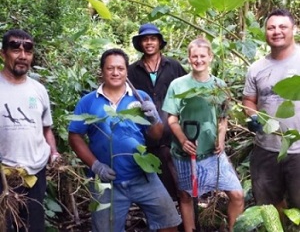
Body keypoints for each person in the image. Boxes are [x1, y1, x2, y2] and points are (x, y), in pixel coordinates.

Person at [68, 48, 181, 232]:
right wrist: (96, 166)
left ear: (126, 71)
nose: (115, 72)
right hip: (107, 182)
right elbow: (74, 136)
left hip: (142, 175)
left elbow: (156, 135)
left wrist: (153, 118)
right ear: (102, 71)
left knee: (169, 222)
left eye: (120, 68)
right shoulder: (88, 101)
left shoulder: (139, 97)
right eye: (110, 68)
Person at [162, 37, 244, 232]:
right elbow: (171, 118)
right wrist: (182, 140)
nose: (198, 60)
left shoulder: (219, 85)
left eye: (202, 56)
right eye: (194, 56)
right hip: (185, 153)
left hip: (212, 153)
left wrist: (221, 139)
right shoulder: (178, 85)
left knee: (237, 195)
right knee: (185, 196)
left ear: (210, 57)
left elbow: (223, 117)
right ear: (189, 58)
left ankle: (233, 228)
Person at [0, 29, 60, 231]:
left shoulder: (38, 89)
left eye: (28, 50)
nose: (23, 56)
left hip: (35, 172)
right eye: (15, 49)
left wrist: (54, 153)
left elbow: (46, 129)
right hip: (3, 174)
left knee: (34, 226)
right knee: (5, 225)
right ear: (3, 53)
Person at [242, 9, 300, 216]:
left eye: (282, 26)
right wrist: (252, 116)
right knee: (268, 208)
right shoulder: (257, 68)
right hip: (266, 149)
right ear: (265, 32)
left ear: (294, 29)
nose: (277, 31)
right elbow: (249, 100)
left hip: (298, 151)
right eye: (271, 27)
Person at [128, 23, 187, 200]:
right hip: (148, 138)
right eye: (145, 39)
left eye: (153, 39)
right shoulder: (132, 71)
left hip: (174, 136)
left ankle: (188, 224)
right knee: (158, 189)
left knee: (183, 186)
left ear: (159, 42)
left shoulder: (174, 66)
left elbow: (187, 93)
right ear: (140, 44)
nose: (149, 43)